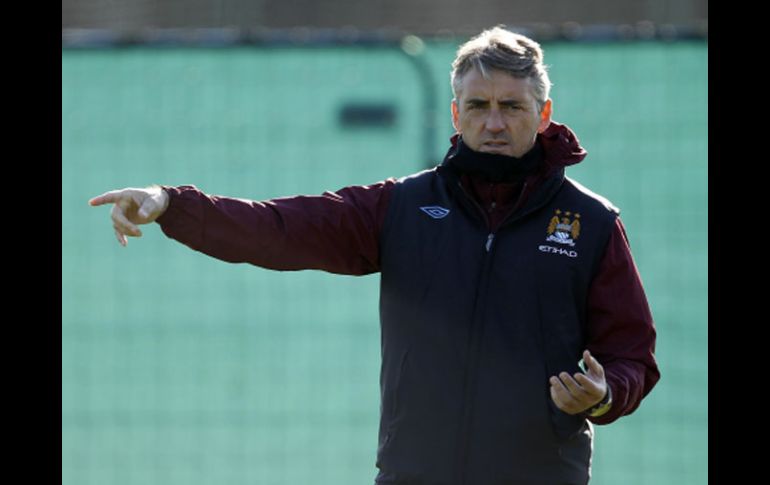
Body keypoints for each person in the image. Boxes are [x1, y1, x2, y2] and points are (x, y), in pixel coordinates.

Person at [89, 26, 659, 485]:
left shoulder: (591, 223)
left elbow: (634, 354)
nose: (493, 122)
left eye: (512, 106)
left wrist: (605, 394)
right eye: (478, 104)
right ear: (456, 113)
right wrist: (169, 203)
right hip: (413, 474)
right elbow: (277, 227)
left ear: (543, 113)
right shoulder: (402, 206)